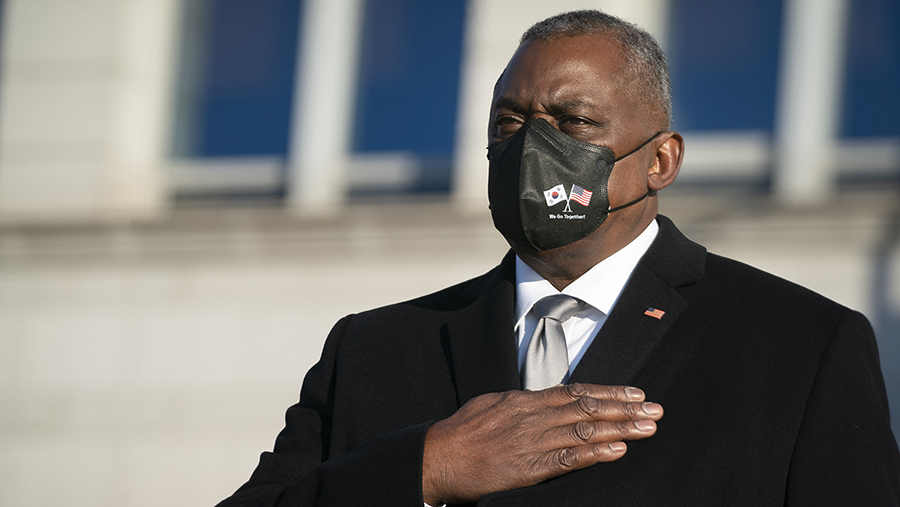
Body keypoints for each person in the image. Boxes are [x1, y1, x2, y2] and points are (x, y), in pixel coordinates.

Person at [218, 9, 900, 506]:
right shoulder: (375, 350)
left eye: (574, 122)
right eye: (509, 123)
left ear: (661, 161)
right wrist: (427, 467)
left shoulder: (798, 345)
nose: (530, 148)